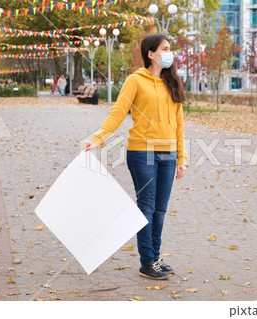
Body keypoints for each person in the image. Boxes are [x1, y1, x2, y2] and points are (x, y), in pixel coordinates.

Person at [83, 34, 187, 280]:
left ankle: (156, 257)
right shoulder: (135, 80)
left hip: (168, 153)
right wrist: (97, 138)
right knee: (147, 207)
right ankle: (147, 261)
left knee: (160, 210)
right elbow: (118, 112)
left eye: (170, 49)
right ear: (150, 54)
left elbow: (179, 123)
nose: (169, 53)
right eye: (165, 49)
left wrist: (181, 158)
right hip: (142, 152)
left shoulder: (172, 82)